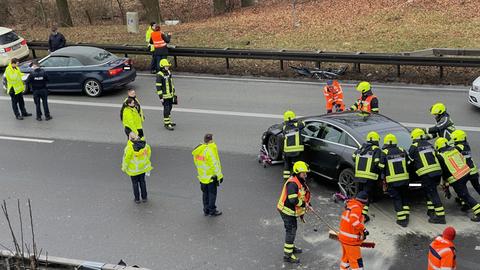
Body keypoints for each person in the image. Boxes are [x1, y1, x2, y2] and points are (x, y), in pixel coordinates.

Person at [434, 137, 480, 222]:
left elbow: (444, 172)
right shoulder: (455, 150)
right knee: (464, 194)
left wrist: (445, 184)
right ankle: (467, 205)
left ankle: (478, 213)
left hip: (457, 178)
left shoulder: (441, 156)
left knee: (465, 195)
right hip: (466, 173)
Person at [276, 161, 311, 264]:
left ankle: (291, 247)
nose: (305, 175)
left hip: (291, 211)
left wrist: (309, 204)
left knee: (292, 230)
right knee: (291, 231)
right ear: (297, 172)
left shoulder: (299, 181)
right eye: (303, 173)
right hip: (287, 211)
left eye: (305, 173)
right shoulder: (292, 184)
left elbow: (302, 196)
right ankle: (287, 255)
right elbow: (293, 200)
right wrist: (304, 205)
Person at [408, 128, 445, 224]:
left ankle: (440, 216)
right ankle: (431, 210)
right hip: (437, 172)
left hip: (427, 174)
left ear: (414, 137)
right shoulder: (429, 145)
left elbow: (409, 162)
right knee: (429, 192)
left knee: (433, 194)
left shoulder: (414, 146)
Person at [379, 133, 410, 227]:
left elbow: (381, 166)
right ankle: (406, 215)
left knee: (397, 198)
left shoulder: (384, 152)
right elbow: (408, 163)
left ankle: (402, 220)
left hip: (393, 181)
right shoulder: (402, 150)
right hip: (404, 179)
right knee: (404, 197)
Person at [352, 131, 381, 222]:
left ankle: (354, 212)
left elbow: (353, 157)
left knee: (358, 195)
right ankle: (362, 216)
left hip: (359, 176)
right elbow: (377, 162)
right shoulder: (376, 149)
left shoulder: (361, 148)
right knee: (366, 197)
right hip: (370, 177)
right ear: (376, 140)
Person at [192, 134, 223, 217]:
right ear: (211, 140)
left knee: (205, 194)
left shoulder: (198, 150)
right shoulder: (210, 150)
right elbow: (215, 164)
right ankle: (212, 210)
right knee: (212, 194)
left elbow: (196, 163)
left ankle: (206, 210)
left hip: (202, 177)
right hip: (211, 178)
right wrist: (219, 176)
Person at [338, 191, 369, 270]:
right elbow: (354, 221)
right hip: (351, 241)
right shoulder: (357, 208)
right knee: (357, 262)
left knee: (346, 259)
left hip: (343, 238)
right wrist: (364, 229)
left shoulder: (351, 205)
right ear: (364, 203)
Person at [121, 133, 153, 203]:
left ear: (130, 139)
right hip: (143, 168)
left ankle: (137, 199)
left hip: (134, 170)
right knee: (142, 182)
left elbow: (126, 159)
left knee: (135, 184)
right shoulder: (145, 145)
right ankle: (144, 197)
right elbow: (149, 154)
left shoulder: (129, 148)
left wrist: (124, 167)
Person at [450, 129, 480, 196]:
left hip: (466, 172)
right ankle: (463, 200)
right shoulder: (466, 145)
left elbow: (451, 151)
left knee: (462, 188)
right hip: (473, 171)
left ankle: (465, 202)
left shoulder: (461, 146)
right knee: (477, 187)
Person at [282, 110, 305, 181]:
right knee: (298, 164)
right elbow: (303, 124)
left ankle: (286, 178)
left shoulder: (284, 127)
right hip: (297, 150)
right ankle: (297, 178)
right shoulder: (298, 125)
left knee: (287, 164)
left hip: (287, 150)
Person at [156, 59, 177, 130]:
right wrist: (161, 97)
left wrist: (174, 92)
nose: (167, 67)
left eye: (168, 66)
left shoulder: (168, 72)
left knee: (170, 108)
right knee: (166, 109)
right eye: (166, 66)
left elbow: (171, 83)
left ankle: (169, 121)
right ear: (162, 66)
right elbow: (158, 87)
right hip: (164, 96)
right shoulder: (159, 75)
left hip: (170, 95)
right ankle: (166, 124)